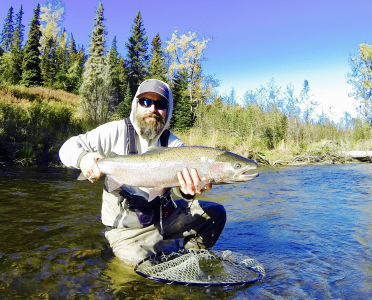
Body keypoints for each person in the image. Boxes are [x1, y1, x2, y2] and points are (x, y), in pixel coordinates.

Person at [59, 79, 226, 266]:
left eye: (161, 104)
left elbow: (181, 190)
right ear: (135, 105)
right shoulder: (113, 132)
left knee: (216, 213)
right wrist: (83, 158)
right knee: (146, 274)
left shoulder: (175, 145)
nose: (152, 109)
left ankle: (190, 259)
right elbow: (66, 148)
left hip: (166, 220)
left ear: (168, 110)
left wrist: (188, 192)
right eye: (146, 102)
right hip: (126, 231)